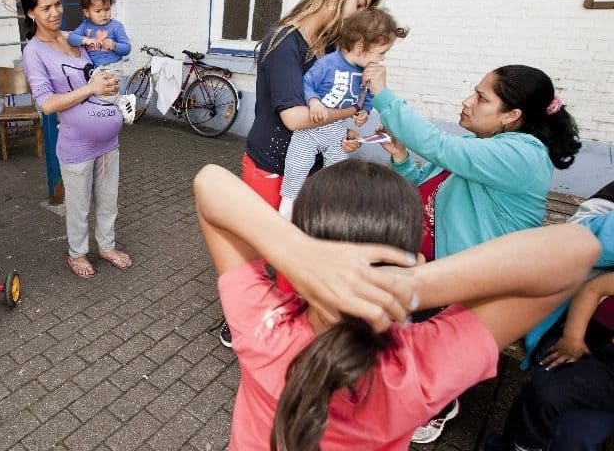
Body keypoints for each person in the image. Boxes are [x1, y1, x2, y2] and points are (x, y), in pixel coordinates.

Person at [193, 161, 599, 451]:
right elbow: (579, 250)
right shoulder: (420, 367)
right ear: (414, 256)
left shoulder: (263, 324)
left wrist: (293, 252)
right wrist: (413, 285)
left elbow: (209, 181)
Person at [344, 63, 582, 442]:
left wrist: (384, 95)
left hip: (467, 281)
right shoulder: (480, 144)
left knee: (421, 341)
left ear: (512, 115)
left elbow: (439, 146)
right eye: (473, 92)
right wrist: (401, 157)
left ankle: (438, 403)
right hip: (431, 263)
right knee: (388, 318)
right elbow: (421, 185)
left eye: (482, 97)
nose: (467, 102)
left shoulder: (523, 155)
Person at [224, 0, 382, 347]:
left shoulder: (327, 47)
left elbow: (328, 105)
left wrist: (343, 135)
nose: (361, 18)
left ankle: (284, 320)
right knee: (258, 248)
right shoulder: (285, 43)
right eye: (358, 5)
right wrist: (349, 114)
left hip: (307, 164)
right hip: (269, 164)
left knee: (296, 247)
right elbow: (295, 117)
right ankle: (239, 319)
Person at [486, 180, 614, 451]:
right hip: (582, 334)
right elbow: (580, 246)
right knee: (548, 397)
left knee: (574, 433)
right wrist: (573, 336)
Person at [21, 0, 132, 279]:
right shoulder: (34, 52)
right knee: (80, 207)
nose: (56, 12)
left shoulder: (73, 39)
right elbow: (46, 103)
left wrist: (108, 84)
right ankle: (77, 253)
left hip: (108, 140)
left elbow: (96, 71)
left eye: (58, 4)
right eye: (46, 8)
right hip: (77, 146)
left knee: (108, 202)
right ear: (31, 13)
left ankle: (107, 247)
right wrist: (92, 88)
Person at [278, 7, 407, 219]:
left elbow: (369, 95)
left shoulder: (367, 71)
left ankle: (323, 212)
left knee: (336, 174)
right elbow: (306, 82)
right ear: (360, 46)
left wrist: (364, 111)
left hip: (337, 129)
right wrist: (314, 102)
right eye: (381, 53)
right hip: (311, 128)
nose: (382, 59)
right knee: (296, 169)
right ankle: (285, 211)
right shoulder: (328, 64)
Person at [66, 0, 136, 125]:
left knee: (100, 90)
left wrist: (114, 45)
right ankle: (82, 119)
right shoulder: (86, 26)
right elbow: (71, 38)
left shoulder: (116, 26)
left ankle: (122, 101)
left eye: (107, 9)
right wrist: (85, 40)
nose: (104, 14)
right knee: (93, 92)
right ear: (87, 12)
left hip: (112, 66)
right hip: (95, 69)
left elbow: (127, 48)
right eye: (98, 11)